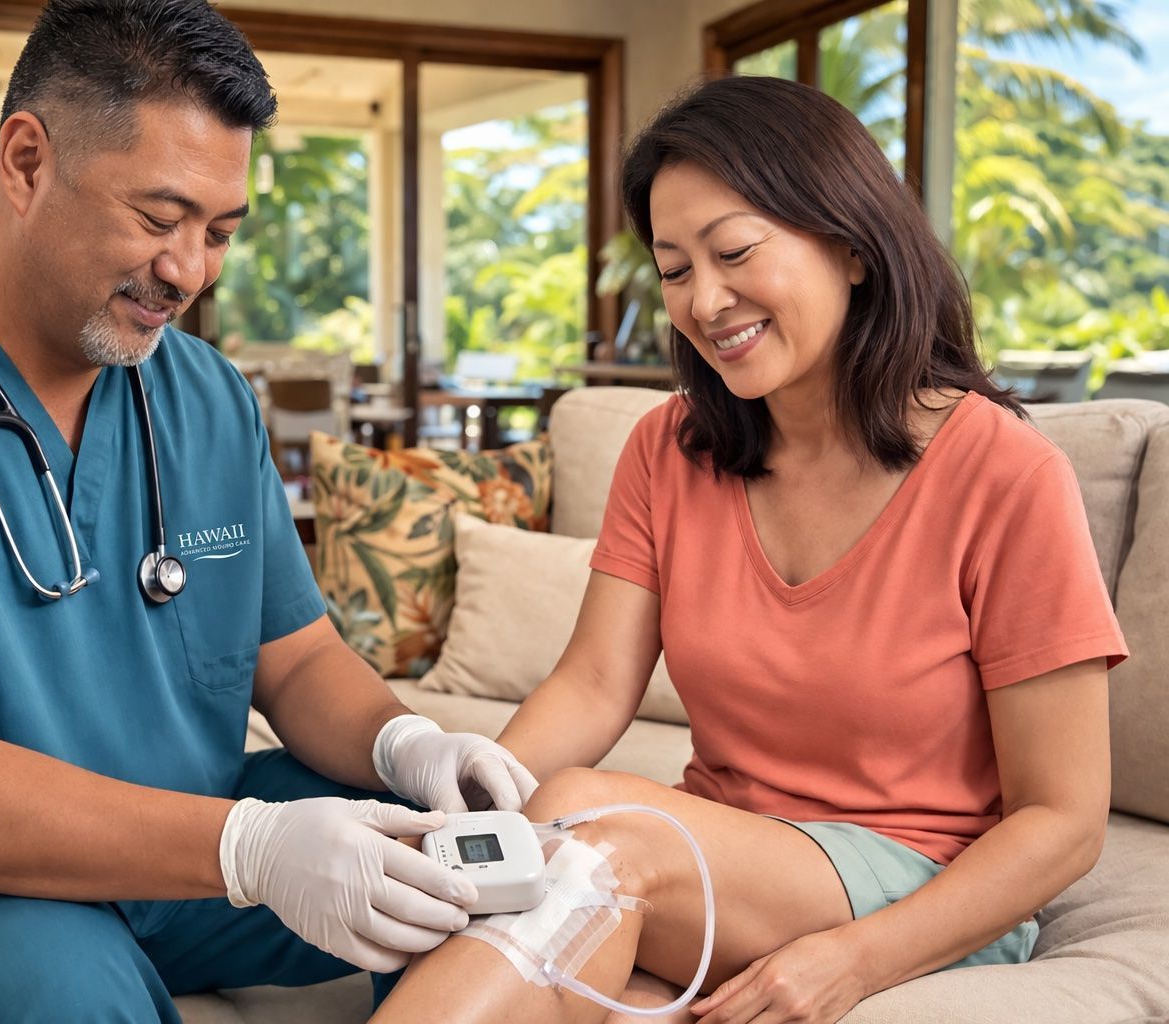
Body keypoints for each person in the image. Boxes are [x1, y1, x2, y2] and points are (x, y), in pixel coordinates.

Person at [0, 2, 536, 1021]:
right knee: (54, 977)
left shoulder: (207, 397)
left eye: (218, 233)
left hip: (169, 853)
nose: (191, 272)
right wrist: (248, 846)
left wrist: (409, 746)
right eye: (159, 217)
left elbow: (297, 659)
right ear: (27, 162)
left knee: (471, 865)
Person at [372, 75, 1127, 1024]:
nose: (705, 299)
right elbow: (596, 684)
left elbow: (1063, 823)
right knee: (542, 841)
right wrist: (470, 812)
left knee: (599, 844)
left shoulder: (1007, 478)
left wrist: (847, 962)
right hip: (725, 866)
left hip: (919, 882)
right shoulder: (669, 448)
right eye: (676, 269)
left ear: (851, 246)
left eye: (733, 252)